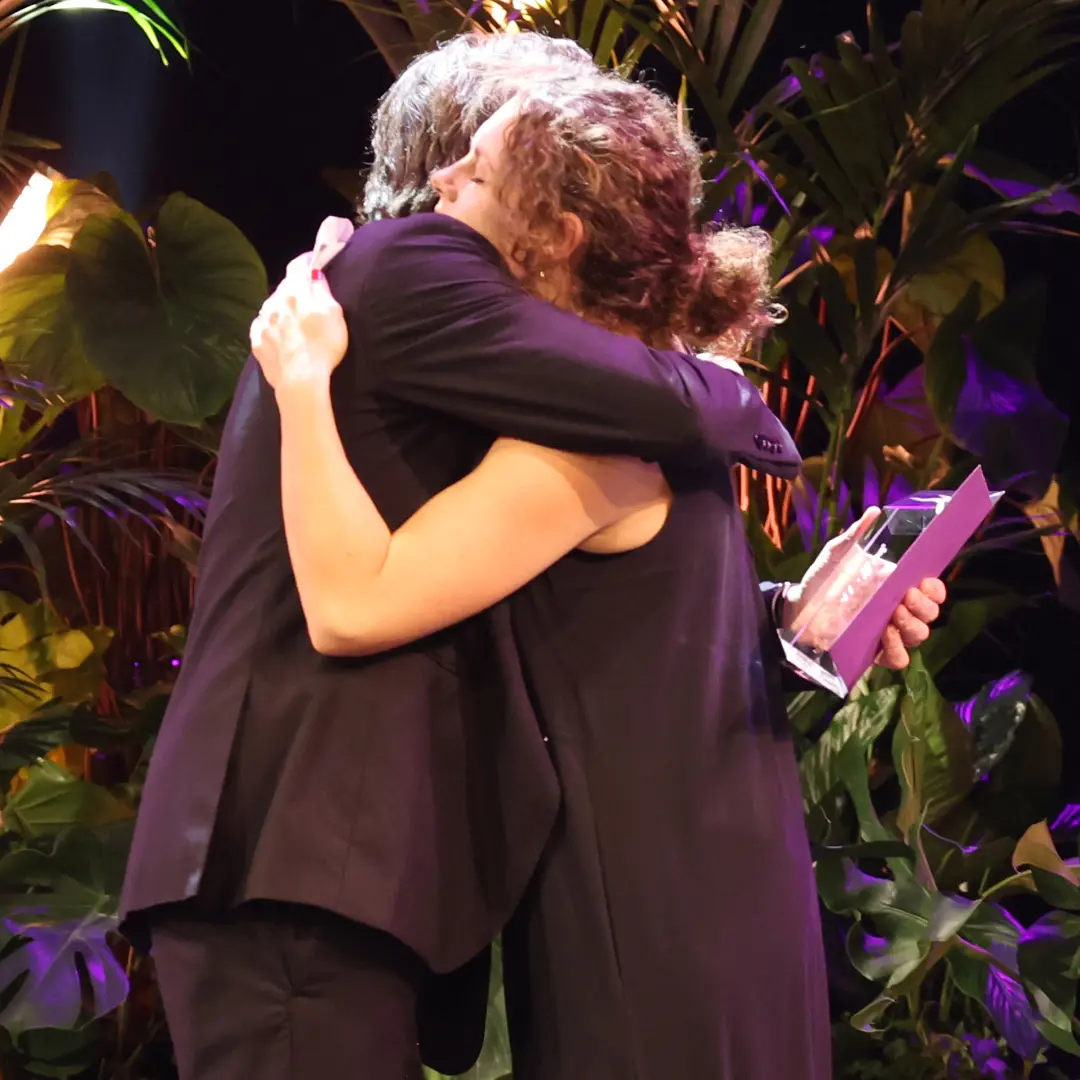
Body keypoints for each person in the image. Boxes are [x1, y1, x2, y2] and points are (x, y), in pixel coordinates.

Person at [118, 32, 812, 1080]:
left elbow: (590, 592)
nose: (456, 179)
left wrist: (785, 611)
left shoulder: (430, 313)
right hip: (289, 855)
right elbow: (645, 403)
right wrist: (733, 390)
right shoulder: (414, 265)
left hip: (327, 868)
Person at [251, 76, 945, 1079]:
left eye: (476, 171)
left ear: (560, 235)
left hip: (647, 916)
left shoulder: (585, 442)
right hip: (734, 896)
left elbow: (354, 604)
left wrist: (303, 385)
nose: (442, 182)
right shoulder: (655, 401)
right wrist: (796, 615)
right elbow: (653, 630)